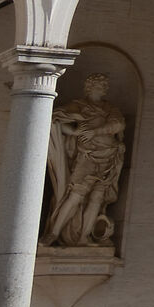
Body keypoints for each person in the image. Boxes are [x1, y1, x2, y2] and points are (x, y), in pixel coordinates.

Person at [44, 72, 127, 248]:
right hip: (87, 156)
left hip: (108, 156)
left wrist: (95, 132)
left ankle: (84, 236)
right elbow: (54, 119)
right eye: (99, 85)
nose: (102, 88)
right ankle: (54, 233)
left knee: (97, 198)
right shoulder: (79, 106)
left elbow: (118, 124)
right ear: (89, 87)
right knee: (76, 195)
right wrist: (73, 131)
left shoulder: (110, 108)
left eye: (104, 86)